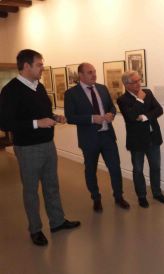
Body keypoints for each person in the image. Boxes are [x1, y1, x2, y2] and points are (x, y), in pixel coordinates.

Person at [0, 49, 80, 246]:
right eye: (39, 65)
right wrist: (37, 123)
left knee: (52, 185)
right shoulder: (10, 90)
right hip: (27, 148)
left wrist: (54, 118)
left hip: (47, 145)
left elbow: (43, 113)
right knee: (31, 190)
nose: (42, 68)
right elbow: (5, 123)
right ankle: (35, 229)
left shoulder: (39, 87)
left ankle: (57, 221)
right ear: (26, 66)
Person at [64, 63, 129, 212]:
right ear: (80, 75)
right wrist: (92, 119)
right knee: (91, 170)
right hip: (89, 139)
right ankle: (96, 198)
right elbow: (70, 117)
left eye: (94, 72)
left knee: (115, 168)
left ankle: (119, 196)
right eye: (89, 72)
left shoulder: (102, 88)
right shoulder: (71, 94)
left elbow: (111, 107)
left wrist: (111, 114)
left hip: (107, 136)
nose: (94, 75)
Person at [117, 71, 164, 208]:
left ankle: (157, 193)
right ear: (126, 84)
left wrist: (145, 117)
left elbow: (159, 109)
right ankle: (141, 196)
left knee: (155, 167)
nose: (138, 84)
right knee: (138, 170)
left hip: (153, 138)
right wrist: (139, 100)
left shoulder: (148, 93)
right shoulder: (122, 100)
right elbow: (131, 117)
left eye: (139, 80)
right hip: (137, 141)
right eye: (134, 82)